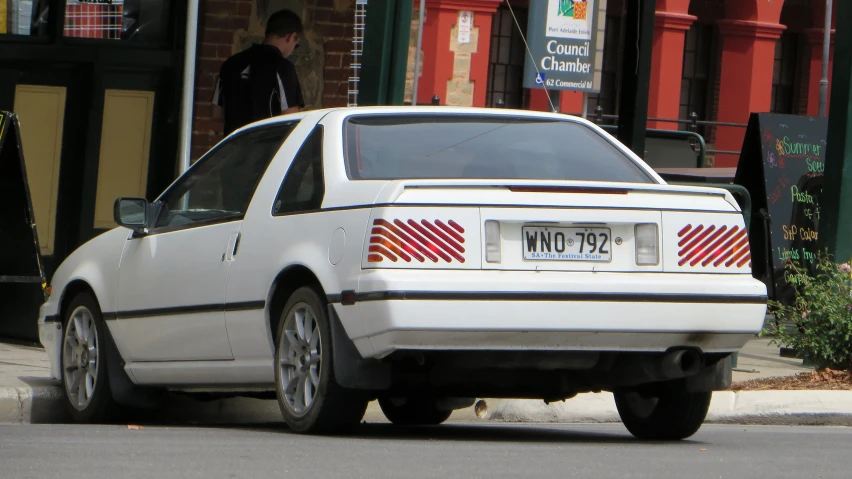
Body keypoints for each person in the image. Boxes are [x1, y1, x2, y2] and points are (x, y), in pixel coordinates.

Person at [212, 9, 306, 136]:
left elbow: (216, 113)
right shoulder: (283, 67)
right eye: (296, 44)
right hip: (266, 149)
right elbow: (292, 118)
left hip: (233, 147)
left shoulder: (231, 63)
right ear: (290, 37)